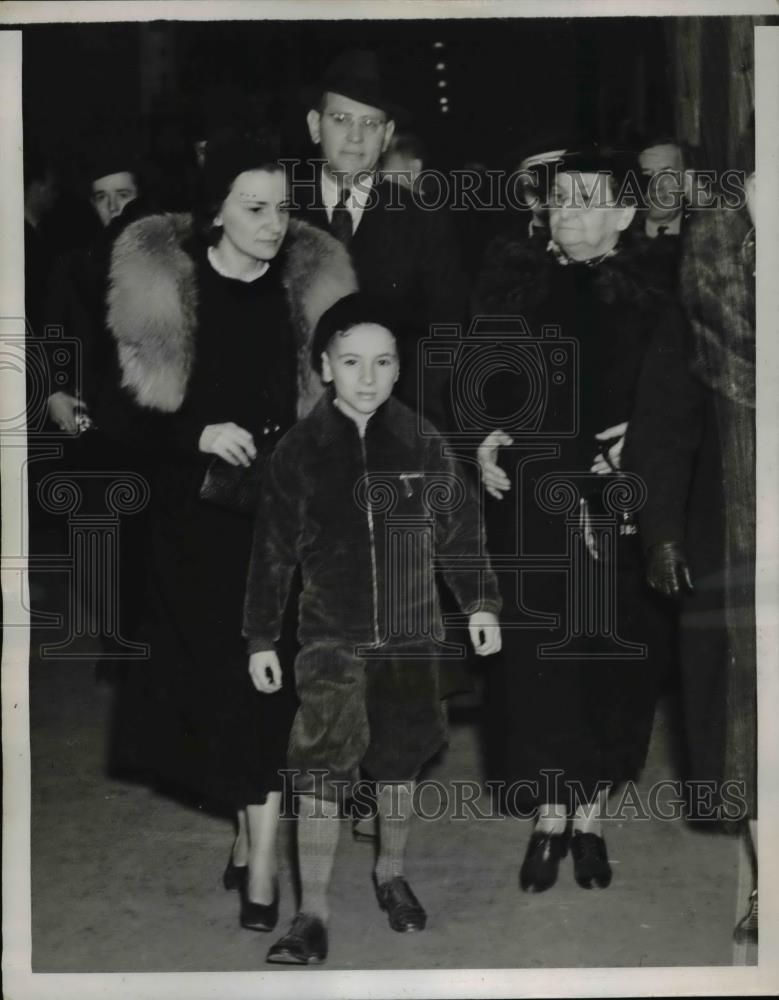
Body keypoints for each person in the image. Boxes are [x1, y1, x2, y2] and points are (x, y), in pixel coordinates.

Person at [103, 137, 357, 932]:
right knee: (221, 691)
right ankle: (251, 840)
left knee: (270, 689)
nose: (273, 223)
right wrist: (196, 435)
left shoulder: (307, 292)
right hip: (195, 530)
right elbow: (119, 427)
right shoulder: (165, 294)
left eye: (283, 207)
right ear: (213, 212)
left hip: (284, 527)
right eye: (253, 208)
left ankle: (263, 867)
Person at [243, 292, 502, 964]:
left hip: (412, 636)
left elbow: (461, 529)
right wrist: (261, 637)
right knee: (320, 770)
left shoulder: (423, 440)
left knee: (398, 763)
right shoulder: (299, 453)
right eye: (351, 361)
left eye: (382, 362)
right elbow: (271, 550)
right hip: (331, 639)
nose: (367, 376)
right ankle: (311, 913)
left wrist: (478, 602)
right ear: (324, 367)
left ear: (397, 369)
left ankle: (390, 872)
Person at [473, 144, 679, 892]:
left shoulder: (659, 291)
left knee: (613, 659)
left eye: (588, 198)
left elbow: (684, 396)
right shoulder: (512, 286)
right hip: (531, 502)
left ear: (625, 212)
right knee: (538, 662)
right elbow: (475, 386)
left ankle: (589, 815)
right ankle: (548, 813)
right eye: (560, 198)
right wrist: (482, 440)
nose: (569, 211)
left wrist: (642, 440)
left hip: (616, 501)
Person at [627, 135, 757, 941]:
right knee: (749, 723)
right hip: (735, 544)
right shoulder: (702, 299)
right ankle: (759, 887)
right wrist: (662, 534)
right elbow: (661, 429)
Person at [293, 48, 468, 428]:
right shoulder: (278, 211)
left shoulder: (423, 220)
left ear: (387, 136)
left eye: (371, 124)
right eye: (340, 119)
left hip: (393, 421)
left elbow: (443, 335)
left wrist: (406, 424)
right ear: (314, 125)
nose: (355, 137)